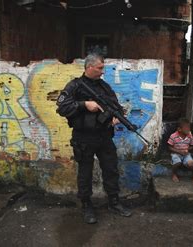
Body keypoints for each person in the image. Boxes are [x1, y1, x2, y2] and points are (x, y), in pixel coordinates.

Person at [56, 54, 132, 224]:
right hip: (84, 137)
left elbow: (116, 106)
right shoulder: (75, 86)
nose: (102, 71)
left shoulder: (104, 87)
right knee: (85, 173)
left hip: (104, 136)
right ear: (89, 67)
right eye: (100, 68)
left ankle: (114, 201)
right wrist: (84, 105)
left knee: (111, 169)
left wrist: (116, 117)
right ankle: (86, 205)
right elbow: (62, 107)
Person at [167, 118, 193, 183]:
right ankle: (174, 174)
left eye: (189, 127)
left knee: (191, 164)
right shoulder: (173, 136)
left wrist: (187, 149)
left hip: (186, 154)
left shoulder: (190, 135)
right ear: (179, 129)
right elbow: (169, 147)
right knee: (177, 162)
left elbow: (192, 146)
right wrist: (179, 151)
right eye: (186, 128)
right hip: (176, 153)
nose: (188, 129)